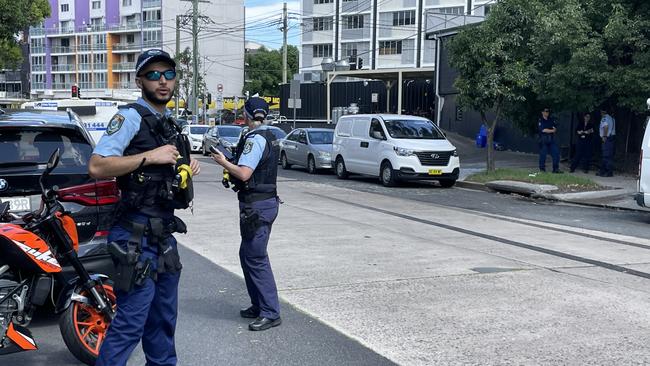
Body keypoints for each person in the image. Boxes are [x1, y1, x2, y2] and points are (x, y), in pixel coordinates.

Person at [88, 49, 200, 366]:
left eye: (168, 74)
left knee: (162, 325)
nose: (162, 81)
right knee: (129, 325)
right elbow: (97, 166)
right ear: (140, 81)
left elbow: (161, 172)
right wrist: (149, 157)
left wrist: (183, 166)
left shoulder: (168, 123)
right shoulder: (130, 117)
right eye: (153, 75)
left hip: (163, 235)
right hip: (134, 236)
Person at [211, 97, 282, 331]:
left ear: (247, 113)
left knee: (256, 257)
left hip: (258, 206)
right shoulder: (268, 135)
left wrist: (223, 162)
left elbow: (243, 174)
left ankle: (271, 312)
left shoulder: (256, 139)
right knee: (247, 254)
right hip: (260, 204)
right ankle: (259, 305)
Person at [538, 107, 562, 173]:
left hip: (551, 139)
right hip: (543, 139)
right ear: (542, 112)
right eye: (546, 111)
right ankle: (542, 169)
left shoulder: (550, 120)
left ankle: (555, 169)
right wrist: (551, 130)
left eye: (548, 111)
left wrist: (550, 130)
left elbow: (555, 129)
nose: (547, 113)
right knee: (543, 154)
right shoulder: (541, 120)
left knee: (556, 153)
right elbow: (543, 130)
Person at [597, 107, 616, 177]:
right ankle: (603, 171)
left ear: (602, 112)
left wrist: (604, 136)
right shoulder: (612, 118)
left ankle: (608, 172)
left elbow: (606, 127)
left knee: (606, 156)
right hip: (612, 138)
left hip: (607, 138)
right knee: (609, 156)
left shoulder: (604, 118)